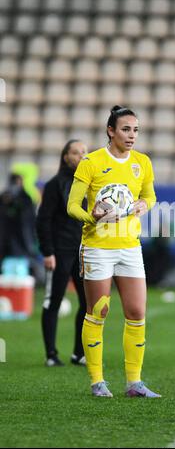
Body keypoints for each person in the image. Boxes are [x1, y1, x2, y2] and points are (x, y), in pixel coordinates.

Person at [67, 105, 161, 398]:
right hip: (98, 247)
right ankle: (97, 381)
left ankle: (135, 383)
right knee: (99, 311)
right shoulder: (91, 162)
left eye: (135, 130)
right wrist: (91, 217)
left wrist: (144, 205)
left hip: (130, 247)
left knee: (136, 311)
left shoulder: (142, 162)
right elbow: (72, 206)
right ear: (111, 131)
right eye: (125, 129)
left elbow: (150, 195)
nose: (131, 135)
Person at [36, 140, 88, 367]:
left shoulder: (88, 184)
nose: (81, 156)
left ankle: (79, 352)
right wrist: (48, 252)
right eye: (76, 152)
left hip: (82, 251)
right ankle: (51, 354)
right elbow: (43, 220)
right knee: (53, 301)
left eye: (84, 152)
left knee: (87, 303)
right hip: (59, 251)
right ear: (65, 156)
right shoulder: (54, 184)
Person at [0, 173, 37, 267]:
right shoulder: (4, 197)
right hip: (6, 237)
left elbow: (29, 218)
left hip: (22, 237)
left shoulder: (25, 198)